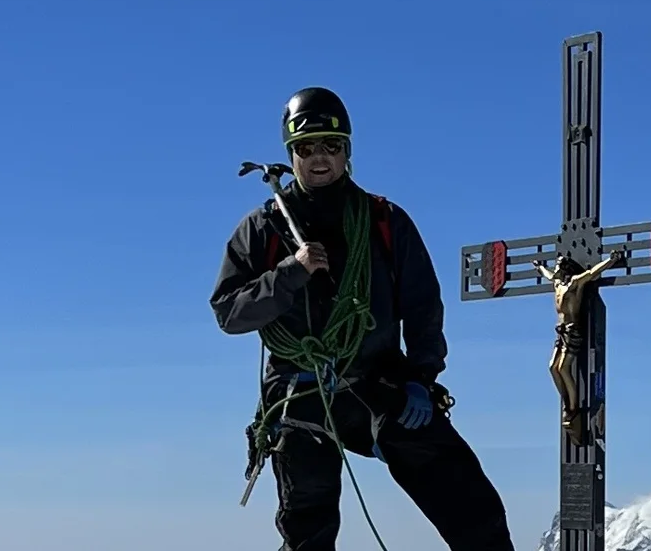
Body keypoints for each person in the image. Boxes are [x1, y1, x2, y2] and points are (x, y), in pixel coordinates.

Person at [209, 86, 516, 551]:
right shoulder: (266, 227)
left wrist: (422, 377)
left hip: (378, 379)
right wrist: (289, 273)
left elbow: (422, 307)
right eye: (306, 147)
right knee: (308, 521)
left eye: (330, 146)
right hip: (300, 389)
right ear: (291, 153)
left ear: (346, 152)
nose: (318, 158)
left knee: (467, 498)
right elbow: (229, 312)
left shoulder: (384, 221)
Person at [531, 251, 622, 446]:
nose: (554, 270)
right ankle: (567, 402)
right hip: (561, 331)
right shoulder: (557, 284)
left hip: (573, 330)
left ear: (564, 269)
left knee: (563, 367)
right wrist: (539, 267)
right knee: (552, 368)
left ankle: (573, 407)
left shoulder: (574, 283)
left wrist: (611, 260)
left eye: (557, 267)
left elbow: (592, 273)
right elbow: (547, 275)